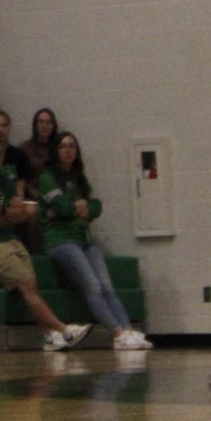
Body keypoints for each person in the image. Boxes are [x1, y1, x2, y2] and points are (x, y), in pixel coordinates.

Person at [0, 136, 90, 351]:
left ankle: (50, 335)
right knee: (27, 286)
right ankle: (64, 329)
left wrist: (3, 213)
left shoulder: (5, 181)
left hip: (11, 239)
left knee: (32, 286)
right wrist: (5, 213)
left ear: (3, 157)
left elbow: (22, 214)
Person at [36, 133, 149, 349]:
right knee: (93, 285)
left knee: (107, 286)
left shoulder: (79, 177)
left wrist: (76, 208)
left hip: (84, 238)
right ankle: (117, 332)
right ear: (55, 151)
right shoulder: (48, 177)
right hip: (61, 240)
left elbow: (95, 205)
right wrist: (75, 207)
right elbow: (62, 206)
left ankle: (127, 329)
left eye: (72, 146)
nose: (68, 150)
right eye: (63, 146)